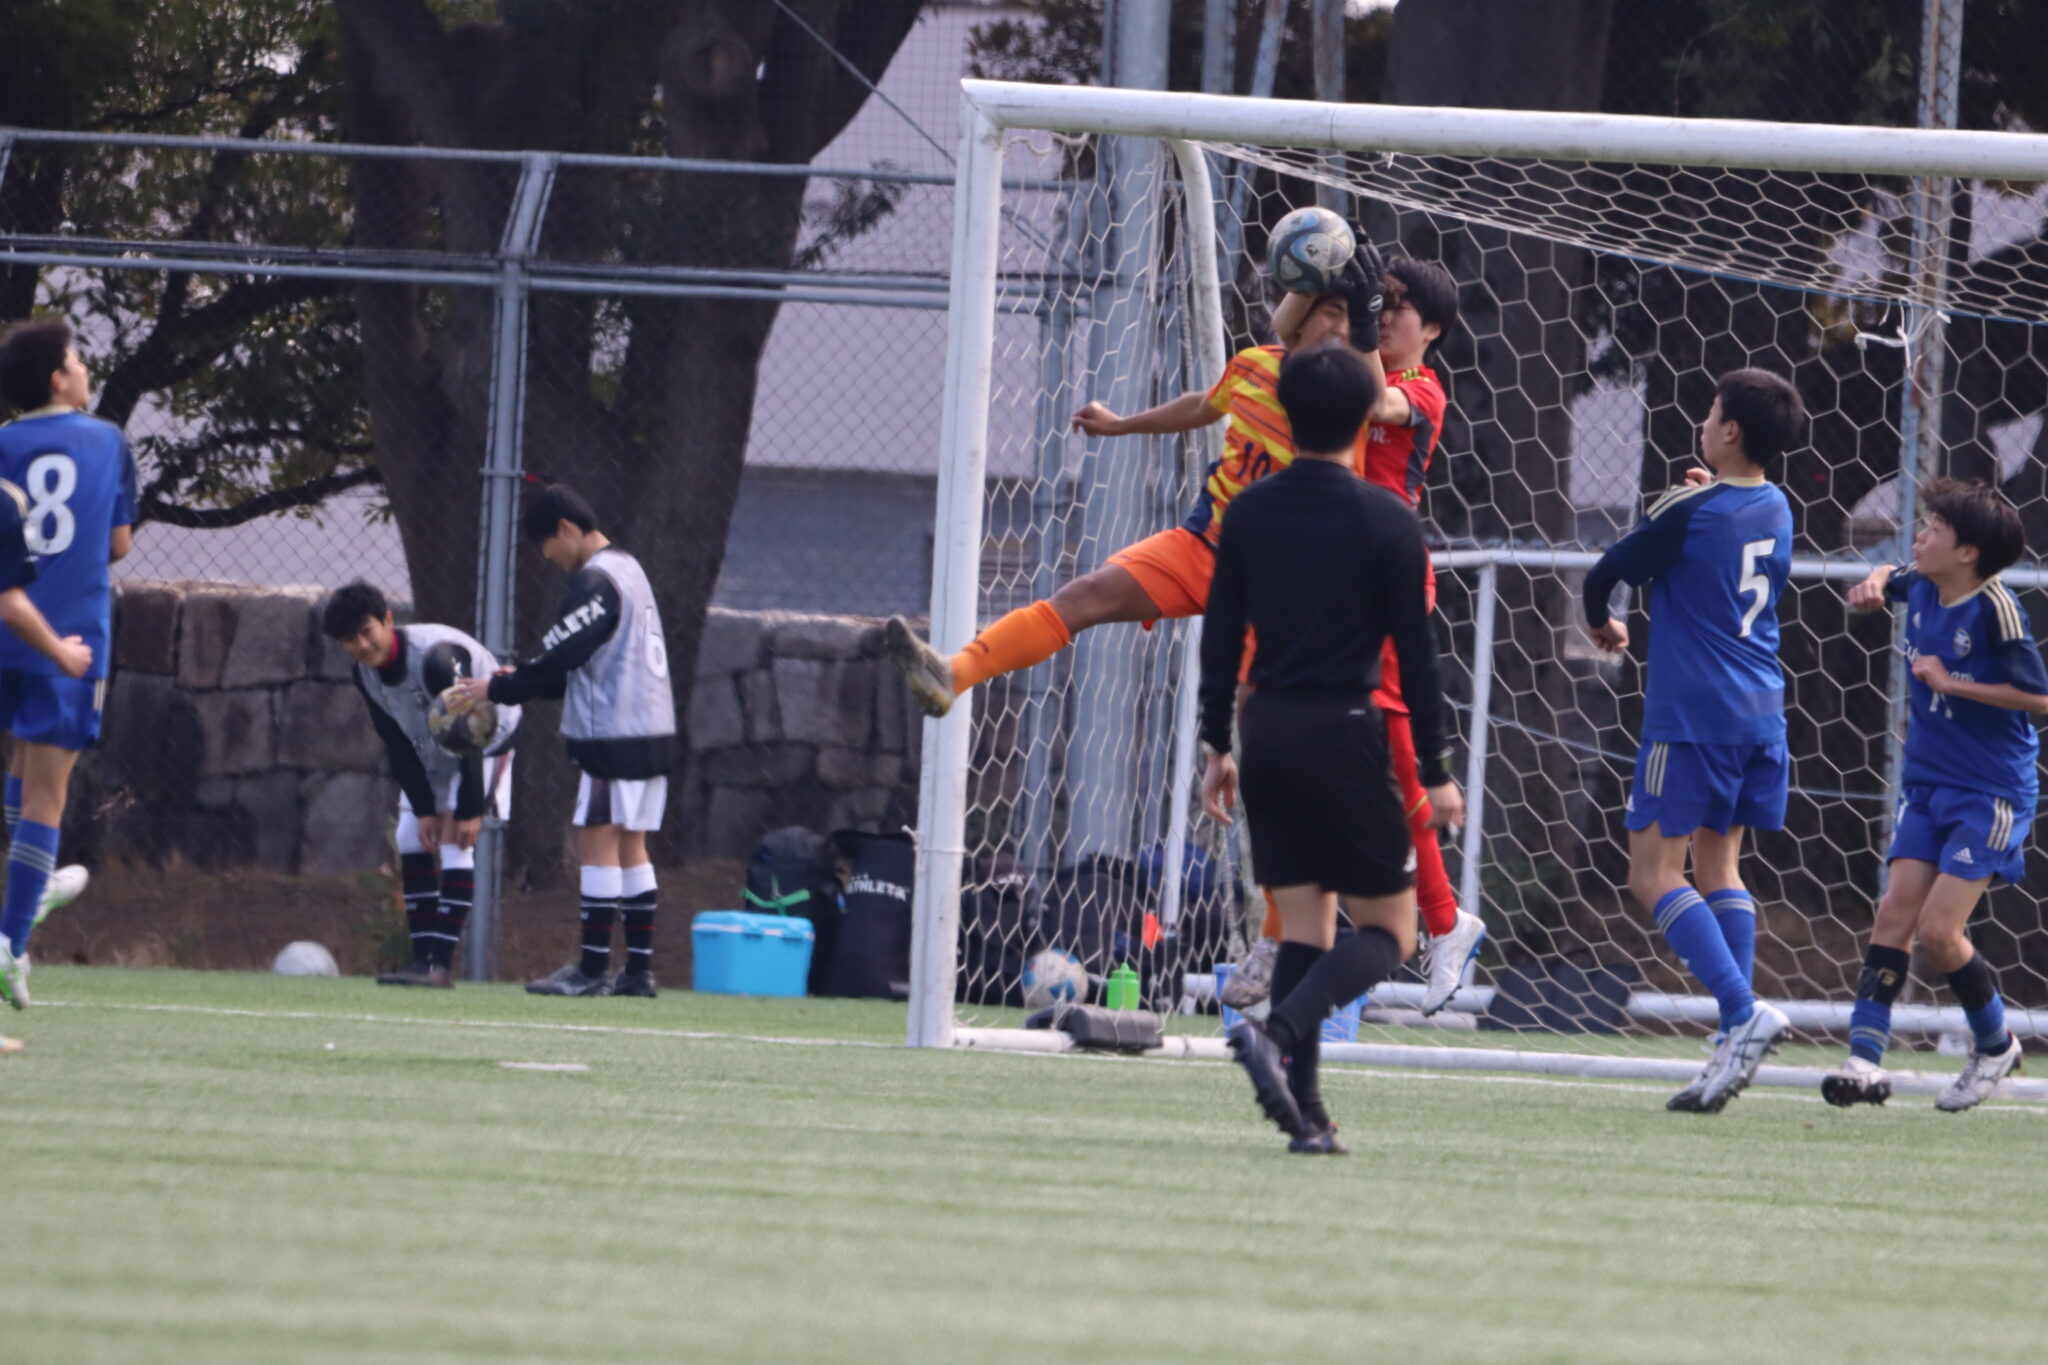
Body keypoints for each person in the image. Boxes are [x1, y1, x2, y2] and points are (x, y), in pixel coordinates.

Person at [1201, 343, 1463, 1154]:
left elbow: (1220, 638)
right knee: (1393, 932)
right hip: (1345, 731)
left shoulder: (1249, 512)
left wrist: (1215, 745)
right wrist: (1437, 771)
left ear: (1288, 412)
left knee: (1307, 930)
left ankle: (1308, 1112)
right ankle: (1275, 1033)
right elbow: (1416, 658)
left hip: (1266, 733)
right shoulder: (1387, 519)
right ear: (1363, 419)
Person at [1229, 254, 1486, 1018]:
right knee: (1335, 751)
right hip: (1327, 580)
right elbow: (1287, 347)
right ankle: (1417, 921)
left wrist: (1365, 323)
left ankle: (1436, 921)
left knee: (1399, 755)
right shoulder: (1351, 364)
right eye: (1383, 303)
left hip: (1384, 581)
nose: (1385, 317)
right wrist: (1314, 282)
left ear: (1431, 329)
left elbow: (1377, 403)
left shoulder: (1422, 388)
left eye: (1398, 308)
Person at [1583, 367, 1807, 1113]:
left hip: (1692, 717)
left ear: (1731, 431)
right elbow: (1719, 536)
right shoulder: (1776, 504)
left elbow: (1605, 574)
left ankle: (1742, 1013)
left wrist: (1602, 625)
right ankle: (1729, 1041)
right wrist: (1700, 497)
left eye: (1712, 414)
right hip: (1759, 714)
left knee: (1652, 874)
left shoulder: (1691, 508)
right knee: (1720, 866)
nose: (1704, 422)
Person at [1824, 480, 2040, 1112]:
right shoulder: (1922, 582)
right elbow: (1889, 576)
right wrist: (1872, 583)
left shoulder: (1997, 611)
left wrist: (1953, 683)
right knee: (1893, 913)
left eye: (1934, 529)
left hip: (1989, 792)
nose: (1919, 536)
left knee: (1941, 931)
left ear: (1968, 553)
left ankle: (1995, 1045)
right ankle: (1863, 1062)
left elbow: (2038, 695)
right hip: (1926, 785)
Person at [450, 484, 675, 999]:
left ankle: (591, 970)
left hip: (615, 734)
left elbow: (560, 658)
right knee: (632, 844)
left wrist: (498, 688)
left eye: (546, 546)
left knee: (597, 840)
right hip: (653, 730)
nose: (548, 559)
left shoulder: (595, 580)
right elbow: (574, 663)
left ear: (566, 529)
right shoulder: (630, 569)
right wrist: (522, 677)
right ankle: (637, 973)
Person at [0, 318, 135, 1010]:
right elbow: (118, 544)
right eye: (78, 360)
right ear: (59, 378)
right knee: (47, 798)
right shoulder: (108, 440)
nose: (86, 370)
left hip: (8, 631)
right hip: (70, 638)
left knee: (24, 767)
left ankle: (33, 884)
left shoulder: (1, 443)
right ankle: (11, 937)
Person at [321, 581, 520, 988]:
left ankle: (439, 966)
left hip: (485, 736)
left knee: (454, 840)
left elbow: (470, 727)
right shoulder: (365, 675)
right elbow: (397, 743)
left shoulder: (436, 657)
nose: (362, 645)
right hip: (433, 741)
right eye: (350, 639)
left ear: (388, 620)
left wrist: (469, 808)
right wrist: (425, 808)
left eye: (367, 631)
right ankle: (421, 961)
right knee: (411, 835)